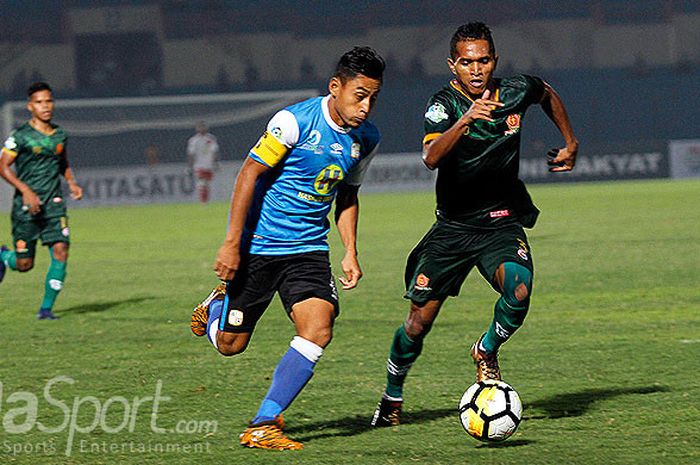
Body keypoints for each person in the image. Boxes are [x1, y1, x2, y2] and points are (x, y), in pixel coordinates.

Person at [370, 22, 578, 427]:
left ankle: (485, 350)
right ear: (454, 65)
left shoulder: (515, 91)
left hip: (500, 222)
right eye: (467, 62)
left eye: (483, 60)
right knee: (417, 323)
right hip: (452, 230)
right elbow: (430, 157)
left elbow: (546, 92)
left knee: (518, 290)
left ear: (494, 61)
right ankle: (392, 396)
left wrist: (570, 141)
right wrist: (465, 120)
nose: (476, 69)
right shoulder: (442, 105)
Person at [189, 46, 385, 450]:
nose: (366, 107)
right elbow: (248, 173)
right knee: (231, 345)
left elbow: (348, 195)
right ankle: (215, 311)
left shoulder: (367, 139)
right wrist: (231, 244)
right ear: (336, 87)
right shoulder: (294, 122)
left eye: (373, 97)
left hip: (309, 249)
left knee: (319, 328)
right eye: (359, 95)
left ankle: (264, 423)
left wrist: (350, 250)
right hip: (259, 246)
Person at [0, 82, 83, 319]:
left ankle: (46, 310)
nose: (45, 106)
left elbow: (62, 162)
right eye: (39, 102)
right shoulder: (20, 137)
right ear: (30, 106)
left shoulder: (60, 135)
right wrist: (25, 190)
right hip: (26, 208)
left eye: (49, 101)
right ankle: (5, 256)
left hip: (54, 204)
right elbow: (3, 167)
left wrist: (72, 182)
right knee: (25, 264)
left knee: (61, 250)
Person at [186, 122, 220, 203]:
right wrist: (190, 165)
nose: (201, 129)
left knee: (207, 183)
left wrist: (215, 163)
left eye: (203, 127)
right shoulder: (193, 140)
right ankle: (202, 200)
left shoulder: (211, 138)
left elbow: (215, 151)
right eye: (199, 127)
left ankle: (206, 200)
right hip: (198, 165)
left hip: (209, 165)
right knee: (202, 182)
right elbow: (191, 153)